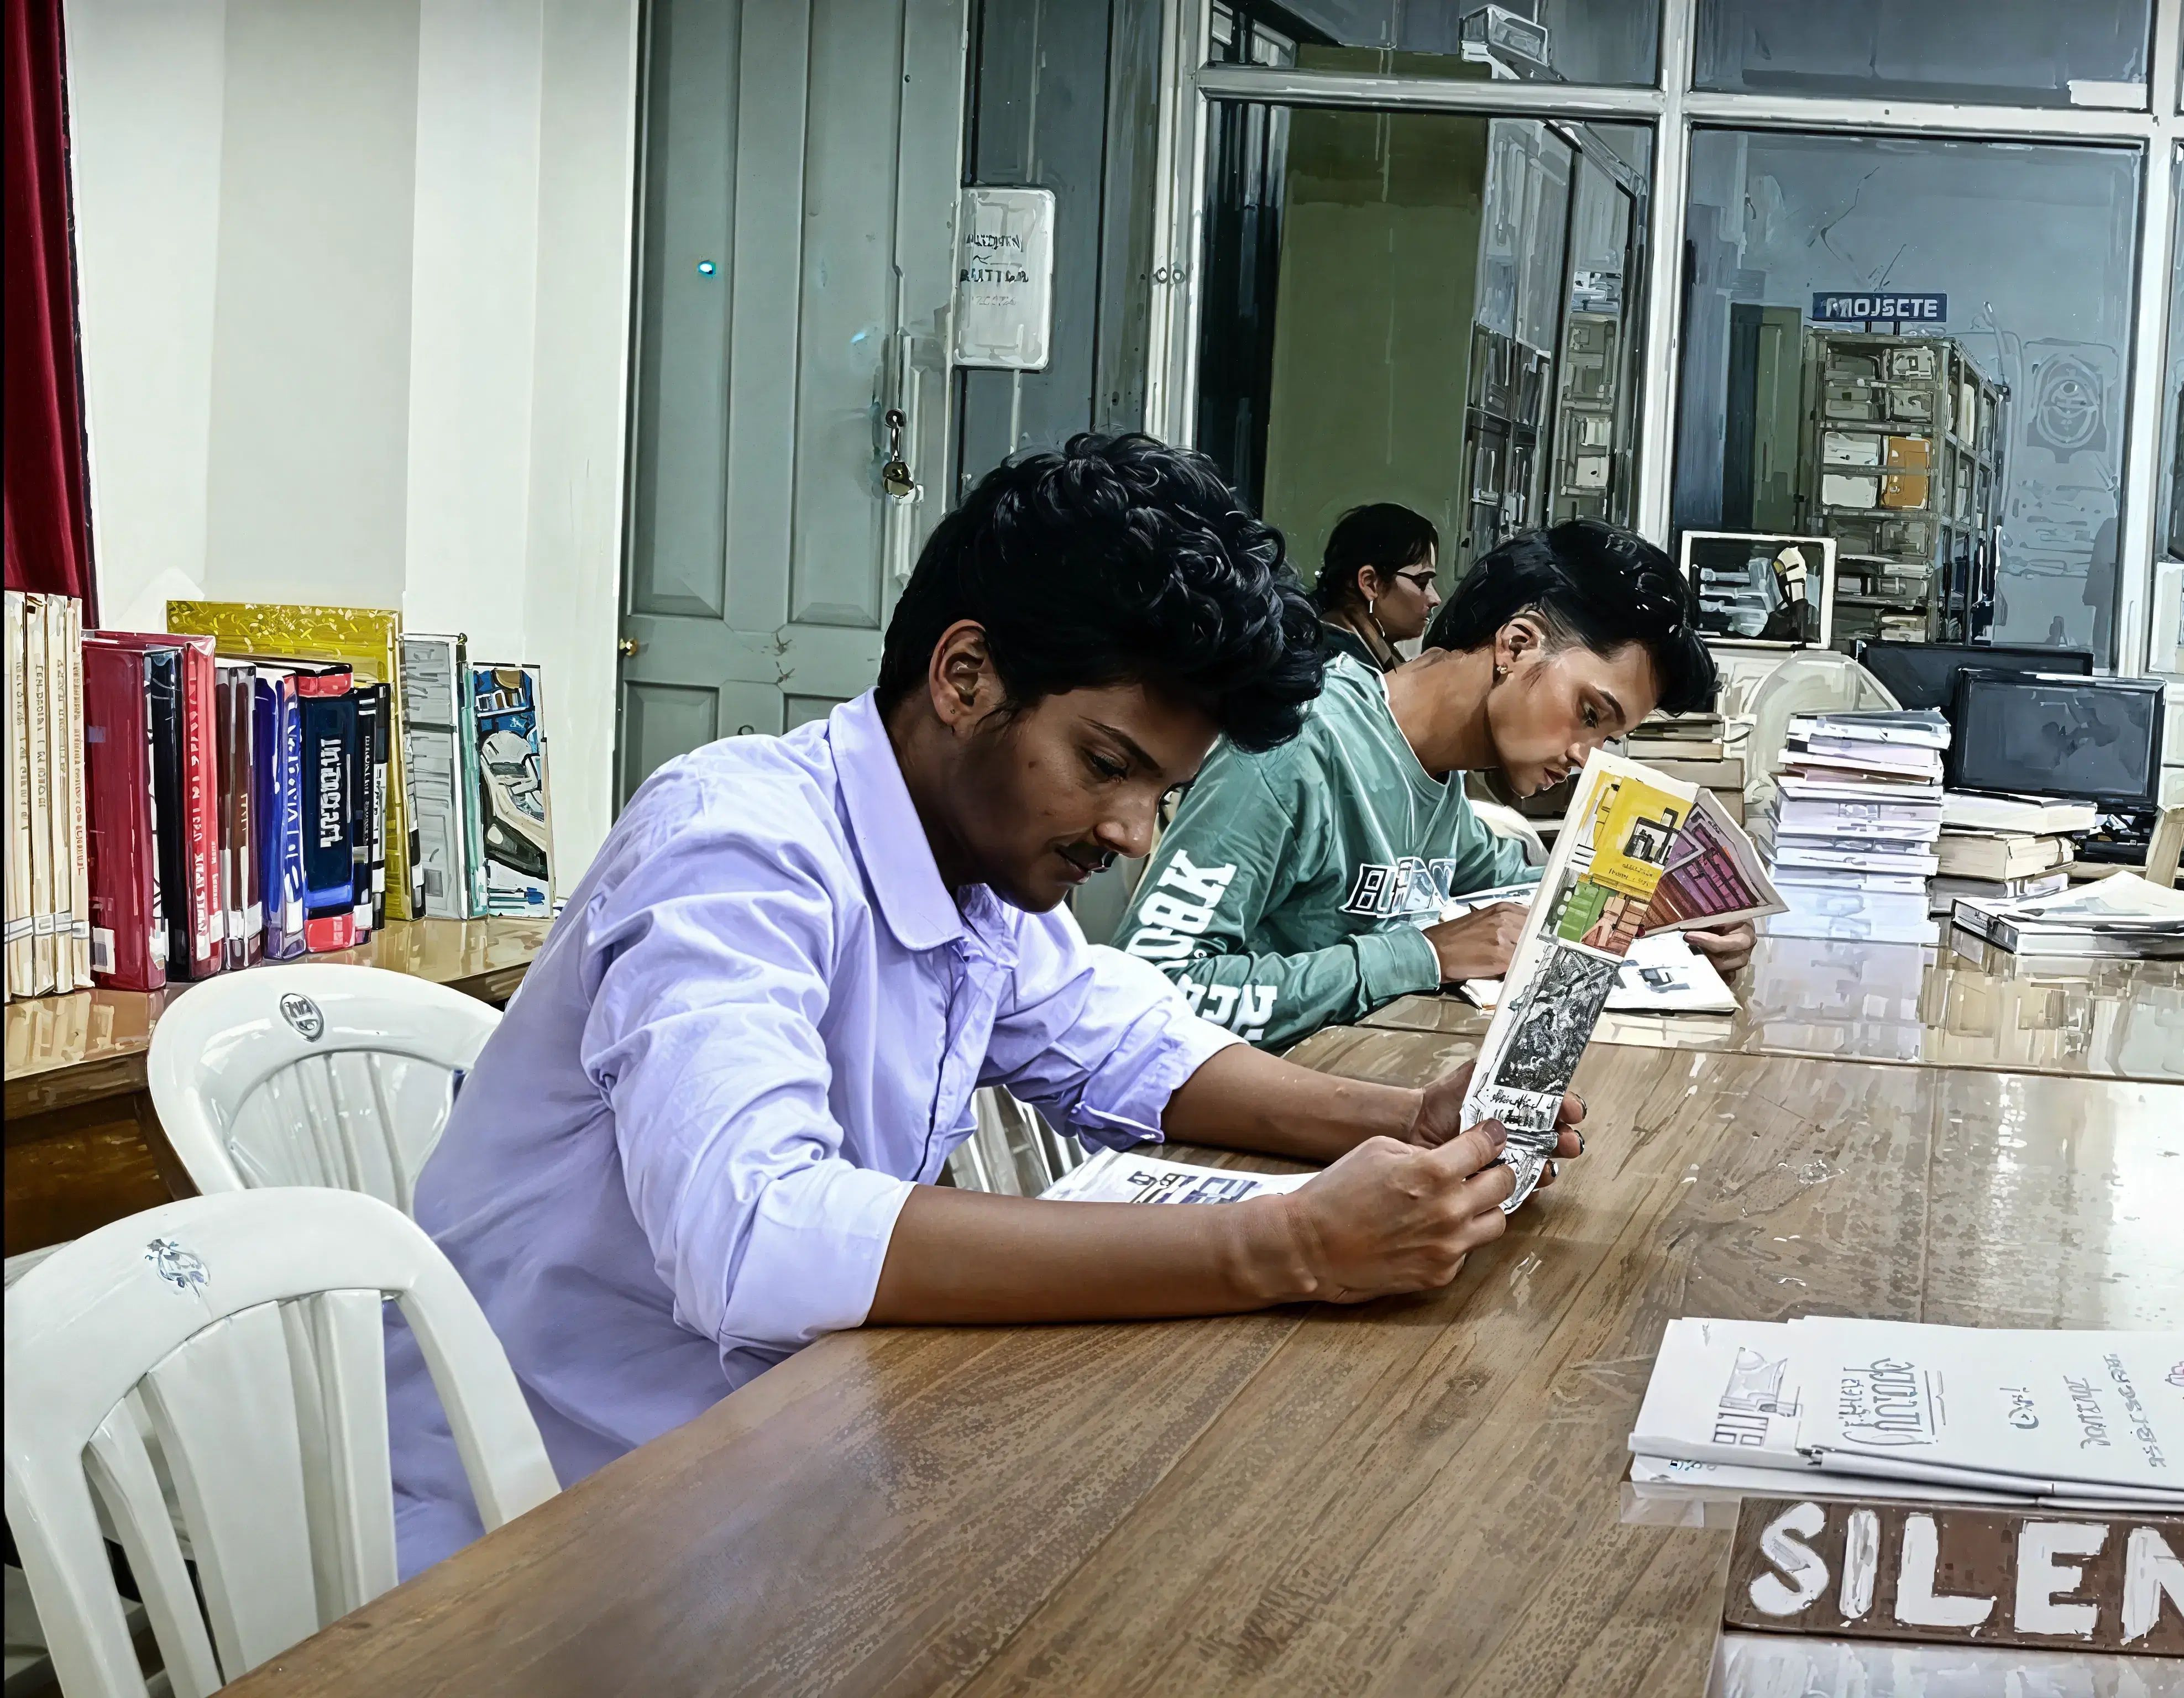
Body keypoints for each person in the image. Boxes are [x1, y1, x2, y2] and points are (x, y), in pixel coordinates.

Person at [384, 435, 1583, 1571]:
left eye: (1161, 790)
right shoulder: (738, 845)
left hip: (784, 1466)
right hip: (565, 1529)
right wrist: (1283, 1246)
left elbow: (1124, 1045)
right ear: (964, 678)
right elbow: (753, 1235)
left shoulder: (972, 869)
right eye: (1109, 767)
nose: (1130, 834)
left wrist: (1400, 1121)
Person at [1114, 518, 1746, 1049]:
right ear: (1517, 645)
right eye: (1589, 715)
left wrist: (1674, 926)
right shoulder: (1297, 747)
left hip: (1362, 1106)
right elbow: (1148, 997)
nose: (1587, 757)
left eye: (1608, 735)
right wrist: (1423, 955)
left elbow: (1518, 887)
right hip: (1233, 1145)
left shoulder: (1435, 773)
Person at [1317, 501, 1441, 670]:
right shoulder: (1340, 668)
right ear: (1369, 584)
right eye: (1422, 582)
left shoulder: (1365, 650)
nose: (1436, 599)